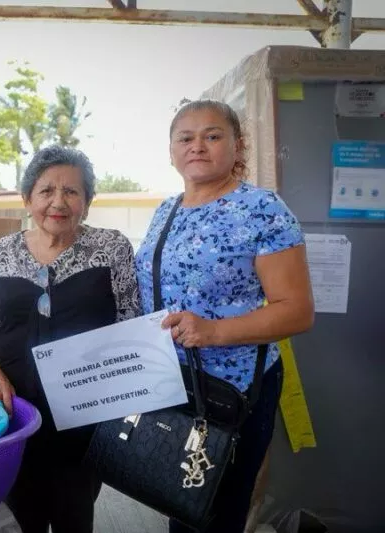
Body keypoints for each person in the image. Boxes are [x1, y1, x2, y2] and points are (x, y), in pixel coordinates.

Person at [134, 100, 314, 533]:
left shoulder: (262, 209)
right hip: (172, 385)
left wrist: (213, 332)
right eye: (186, 137)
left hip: (231, 392)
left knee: (215, 511)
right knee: (180, 501)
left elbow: (297, 311)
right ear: (171, 150)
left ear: (238, 145)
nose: (198, 146)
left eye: (212, 136)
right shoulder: (167, 209)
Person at [0, 145, 139, 533]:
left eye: (72, 192)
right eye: (46, 191)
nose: (59, 202)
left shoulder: (112, 248)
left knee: (75, 513)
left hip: (84, 416)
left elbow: (131, 324)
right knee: (21, 515)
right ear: (27, 199)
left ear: (88, 203)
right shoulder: (5, 250)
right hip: (14, 411)